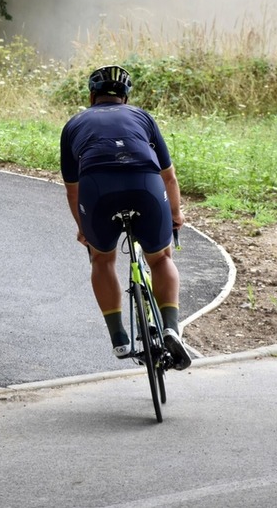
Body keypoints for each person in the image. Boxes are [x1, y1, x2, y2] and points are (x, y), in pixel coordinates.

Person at [60, 65, 191, 371]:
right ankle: (170, 327)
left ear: (92, 96)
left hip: (97, 189)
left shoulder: (74, 123)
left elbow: (72, 191)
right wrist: (175, 214)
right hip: (145, 184)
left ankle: (119, 336)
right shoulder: (142, 117)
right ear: (126, 98)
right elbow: (169, 177)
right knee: (160, 259)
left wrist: (84, 230)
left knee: (102, 259)